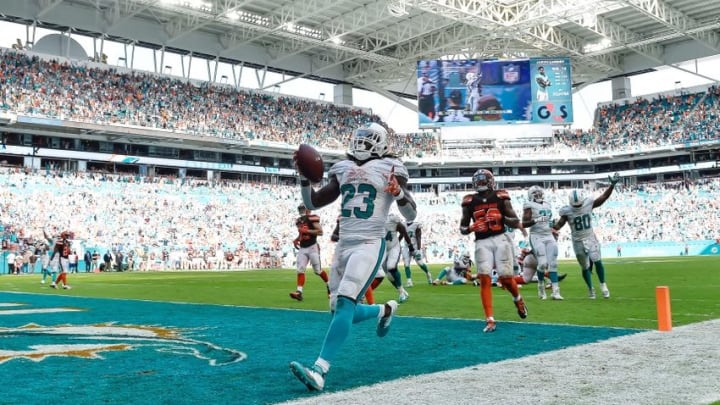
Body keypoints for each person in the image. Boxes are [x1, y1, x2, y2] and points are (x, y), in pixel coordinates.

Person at [289, 122, 417, 392]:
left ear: (381, 142)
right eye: (359, 138)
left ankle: (320, 370)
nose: (362, 143)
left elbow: (410, 215)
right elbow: (313, 202)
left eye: (368, 139)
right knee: (339, 310)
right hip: (345, 244)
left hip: (370, 243)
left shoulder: (391, 167)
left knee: (346, 304)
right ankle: (385, 309)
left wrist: (399, 193)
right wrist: (303, 179)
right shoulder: (343, 167)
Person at [460, 169, 527, 333]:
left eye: (484, 181)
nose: (481, 184)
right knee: (484, 277)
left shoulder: (501, 196)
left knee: (505, 278)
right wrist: (470, 228)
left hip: (500, 238)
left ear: (491, 181)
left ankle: (518, 299)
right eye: (479, 181)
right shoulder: (469, 201)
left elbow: (514, 220)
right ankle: (490, 319)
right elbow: (462, 228)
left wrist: (500, 218)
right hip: (482, 242)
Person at [553, 173, 620, 299]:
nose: (577, 207)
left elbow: (603, 198)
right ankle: (591, 288)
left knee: (598, 261)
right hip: (578, 241)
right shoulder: (568, 210)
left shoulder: (583, 205)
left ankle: (603, 285)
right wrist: (553, 227)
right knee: (585, 267)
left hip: (589, 237)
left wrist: (611, 186)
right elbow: (559, 224)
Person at [522, 185, 562, 300]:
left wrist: (553, 226)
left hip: (548, 235)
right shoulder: (528, 205)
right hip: (536, 236)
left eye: (540, 193)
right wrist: (536, 220)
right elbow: (524, 223)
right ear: (531, 195)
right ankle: (541, 287)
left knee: (553, 263)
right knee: (543, 263)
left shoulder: (548, 204)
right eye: (536, 194)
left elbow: (549, 221)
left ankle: (556, 291)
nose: (538, 195)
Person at [289, 204, 330, 301]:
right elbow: (302, 233)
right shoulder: (299, 221)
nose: (302, 210)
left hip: (312, 246)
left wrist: (307, 231)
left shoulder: (312, 218)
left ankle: (329, 285)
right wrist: (297, 239)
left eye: (303, 208)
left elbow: (320, 232)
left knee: (318, 271)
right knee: (300, 270)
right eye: (300, 209)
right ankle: (299, 292)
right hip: (303, 247)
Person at [402, 220, 433, 287]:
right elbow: (402, 235)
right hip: (406, 246)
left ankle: (428, 273)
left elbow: (419, 237)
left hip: (415, 246)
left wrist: (418, 249)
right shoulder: (403, 224)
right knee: (406, 264)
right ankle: (409, 281)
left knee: (420, 263)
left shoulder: (416, 224)